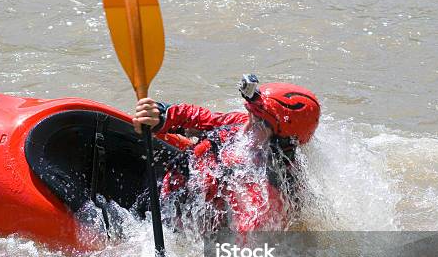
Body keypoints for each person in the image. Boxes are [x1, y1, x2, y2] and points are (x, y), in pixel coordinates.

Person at [131, 74, 321, 236]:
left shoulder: (267, 195)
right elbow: (203, 119)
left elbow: (245, 246)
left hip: (168, 230)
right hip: (160, 191)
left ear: (281, 142)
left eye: (258, 124)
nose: (246, 127)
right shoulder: (243, 125)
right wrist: (163, 115)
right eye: (250, 116)